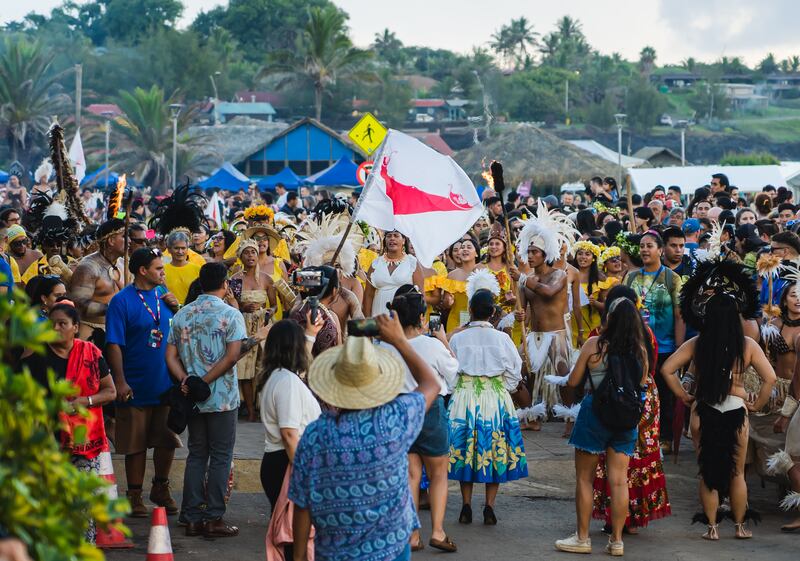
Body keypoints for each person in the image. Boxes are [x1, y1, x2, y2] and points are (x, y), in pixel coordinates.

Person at [289, 314, 441, 561]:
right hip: (390, 548)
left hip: (334, 551)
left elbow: (302, 502)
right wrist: (400, 341)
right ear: (379, 381)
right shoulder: (394, 421)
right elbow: (430, 384)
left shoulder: (316, 435)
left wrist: (298, 557)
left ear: (335, 383)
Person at [661, 259, 775, 540]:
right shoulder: (747, 346)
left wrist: (683, 395)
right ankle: (739, 526)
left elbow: (666, 369)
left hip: (704, 408)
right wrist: (757, 404)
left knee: (707, 472)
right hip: (736, 408)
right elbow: (770, 378)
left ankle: (712, 528)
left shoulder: (697, 344)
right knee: (736, 473)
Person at [554, 295, 650, 556]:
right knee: (619, 481)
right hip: (626, 419)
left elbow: (573, 381)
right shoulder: (640, 351)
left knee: (584, 479)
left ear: (609, 318)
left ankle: (583, 538)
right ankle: (617, 541)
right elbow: (642, 385)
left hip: (594, 416)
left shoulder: (595, 345)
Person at [21, 301, 116, 544]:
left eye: (63, 323)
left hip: (84, 441)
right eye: (52, 324)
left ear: (76, 327)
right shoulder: (37, 357)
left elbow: (110, 391)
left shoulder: (91, 353)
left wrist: (87, 400)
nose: (56, 328)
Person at [165, 262, 248, 538]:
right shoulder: (231, 315)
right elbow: (233, 355)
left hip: (193, 399)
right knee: (221, 456)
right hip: (222, 397)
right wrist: (204, 381)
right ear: (225, 284)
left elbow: (170, 357)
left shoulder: (182, 315)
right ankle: (213, 517)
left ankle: (191, 516)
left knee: (197, 454)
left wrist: (187, 381)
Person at [382, 286, 459, 552]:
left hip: (398, 412)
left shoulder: (384, 345)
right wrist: (444, 340)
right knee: (438, 474)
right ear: (422, 318)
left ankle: (412, 534)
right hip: (430, 411)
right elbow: (453, 374)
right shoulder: (432, 344)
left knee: (411, 475)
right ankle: (437, 530)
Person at [590, 286, 671, 534]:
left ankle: (613, 519)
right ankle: (635, 517)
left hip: (613, 399)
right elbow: (653, 366)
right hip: (645, 399)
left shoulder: (600, 335)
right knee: (640, 457)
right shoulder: (647, 334)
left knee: (613, 461)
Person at [106, 248, 180, 518]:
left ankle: (160, 487)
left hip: (165, 383)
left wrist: (177, 308)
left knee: (166, 440)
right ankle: (134, 495)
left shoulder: (164, 296)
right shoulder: (121, 301)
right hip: (134, 384)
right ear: (143, 271)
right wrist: (120, 381)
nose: (163, 272)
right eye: (159, 268)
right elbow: (113, 344)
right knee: (135, 444)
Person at [448, 289, 527, 526]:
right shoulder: (502, 339)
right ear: (493, 312)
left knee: (466, 449)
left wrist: (456, 389)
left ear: (470, 311)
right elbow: (516, 370)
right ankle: (489, 506)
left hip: (465, 395)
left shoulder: (457, 339)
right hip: (495, 396)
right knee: (494, 449)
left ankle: (466, 504)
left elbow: (450, 372)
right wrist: (505, 388)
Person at [259, 320, 322, 559]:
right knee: (294, 535)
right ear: (292, 348)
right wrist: (304, 471)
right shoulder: (287, 382)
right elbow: (289, 433)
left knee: (294, 533)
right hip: (288, 463)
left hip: (281, 461)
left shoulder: (278, 376)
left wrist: (311, 335)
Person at [517, 202, 579, 428]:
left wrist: (523, 280)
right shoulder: (525, 280)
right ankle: (531, 417)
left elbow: (549, 292)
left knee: (564, 378)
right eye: (529, 251)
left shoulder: (559, 275)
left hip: (557, 334)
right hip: (534, 334)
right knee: (521, 373)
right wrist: (518, 313)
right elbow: (521, 307)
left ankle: (571, 420)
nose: (530, 256)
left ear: (545, 254)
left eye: (534, 252)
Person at [623, 231, 684, 453]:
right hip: (636, 346)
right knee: (636, 391)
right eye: (642, 246)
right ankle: (636, 433)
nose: (645, 250)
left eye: (649, 246)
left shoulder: (671, 278)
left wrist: (678, 349)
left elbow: (679, 315)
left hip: (665, 348)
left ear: (660, 250)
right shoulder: (630, 277)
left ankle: (664, 437)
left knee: (665, 395)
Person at [230, 239, 276, 422]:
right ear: (241, 256)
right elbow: (231, 304)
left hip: (263, 325)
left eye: (253, 252)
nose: (250, 256)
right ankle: (249, 410)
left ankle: (263, 408)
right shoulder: (235, 280)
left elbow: (274, 306)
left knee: (263, 366)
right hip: (243, 324)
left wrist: (265, 312)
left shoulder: (266, 279)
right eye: (247, 252)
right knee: (245, 368)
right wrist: (242, 307)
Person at [68, 219, 128, 344]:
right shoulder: (88, 266)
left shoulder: (123, 263)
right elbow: (80, 304)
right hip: (91, 333)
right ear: (111, 241)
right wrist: (112, 307)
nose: (130, 241)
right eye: (124, 236)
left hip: (118, 330)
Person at [364, 230, 424, 317]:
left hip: (404, 316)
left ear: (403, 240)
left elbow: (420, 295)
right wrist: (367, 321)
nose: (392, 238)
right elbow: (368, 296)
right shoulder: (376, 264)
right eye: (389, 236)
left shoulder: (412, 262)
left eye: (396, 236)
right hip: (378, 315)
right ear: (385, 240)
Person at [441, 236, 481, 332]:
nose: (465, 249)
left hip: (477, 321)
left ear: (476, 253)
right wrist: (447, 302)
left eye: (469, 247)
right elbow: (446, 304)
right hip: (454, 321)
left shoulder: (482, 273)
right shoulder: (451, 275)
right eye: (462, 247)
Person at [163, 231, 201, 305]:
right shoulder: (162, 271)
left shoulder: (198, 270)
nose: (180, 252)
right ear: (169, 249)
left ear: (187, 249)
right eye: (176, 248)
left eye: (183, 248)